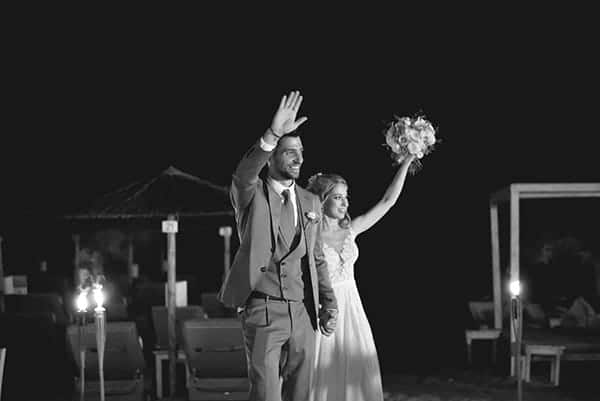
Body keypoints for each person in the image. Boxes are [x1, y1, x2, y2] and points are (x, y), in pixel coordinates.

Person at [218, 90, 338, 401]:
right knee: (266, 394)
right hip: (263, 309)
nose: (299, 159)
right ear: (271, 157)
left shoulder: (311, 201)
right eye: (289, 152)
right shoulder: (251, 194)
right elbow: (243, 175)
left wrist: (328, 303)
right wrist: (272, 134)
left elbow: (316, 258)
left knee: (300, 393)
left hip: (302, 311)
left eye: (301, 151)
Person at [306, 155, 414, 401]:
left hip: (352, 307)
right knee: (322, 371)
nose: (345, 203)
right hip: (324, 309)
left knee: (357, 369)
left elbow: (387, 201)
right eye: (337, 197)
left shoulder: (351, 230)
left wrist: (407, 162)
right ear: (322, 200)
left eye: (346, 197)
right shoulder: (309, 236)